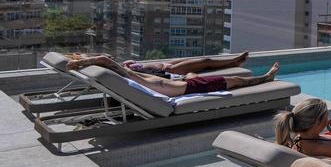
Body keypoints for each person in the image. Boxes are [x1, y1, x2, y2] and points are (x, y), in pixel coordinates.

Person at [67, 54, 280, 97]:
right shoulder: (133, 76)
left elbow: (109, 63)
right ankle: (267, 78)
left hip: (174, 85)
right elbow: (106, 61)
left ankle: (266, 77)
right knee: (236, 82)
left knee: (195, 72)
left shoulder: (133, 79)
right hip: (173, 87)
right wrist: (88, 61)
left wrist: (83, 62)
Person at [67, 51, 250, 78]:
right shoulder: (111, 67)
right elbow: (104, 58)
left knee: (202, 63)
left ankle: (233, 61)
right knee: (205, 63)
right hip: (167, 70)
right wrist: (84, 61)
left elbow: (104, 58)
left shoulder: (116, 67)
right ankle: (234, 61)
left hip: (163, 64)